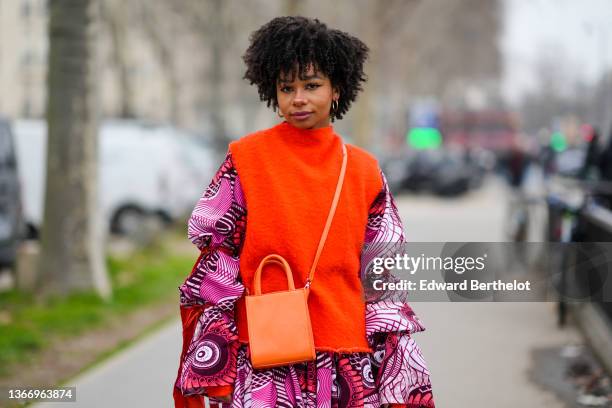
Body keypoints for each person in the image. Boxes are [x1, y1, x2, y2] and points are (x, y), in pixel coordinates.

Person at [173, 16, 435, 408]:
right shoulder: (245, 159)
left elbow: (381, 271)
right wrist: (218, 353)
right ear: (271, 93)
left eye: (311, 85)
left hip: (345, 355)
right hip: (262, 350)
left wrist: (392, 360)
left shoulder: (364, 170)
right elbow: (218, 258)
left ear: (336, 90)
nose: (298, 98)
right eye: (286, 87)